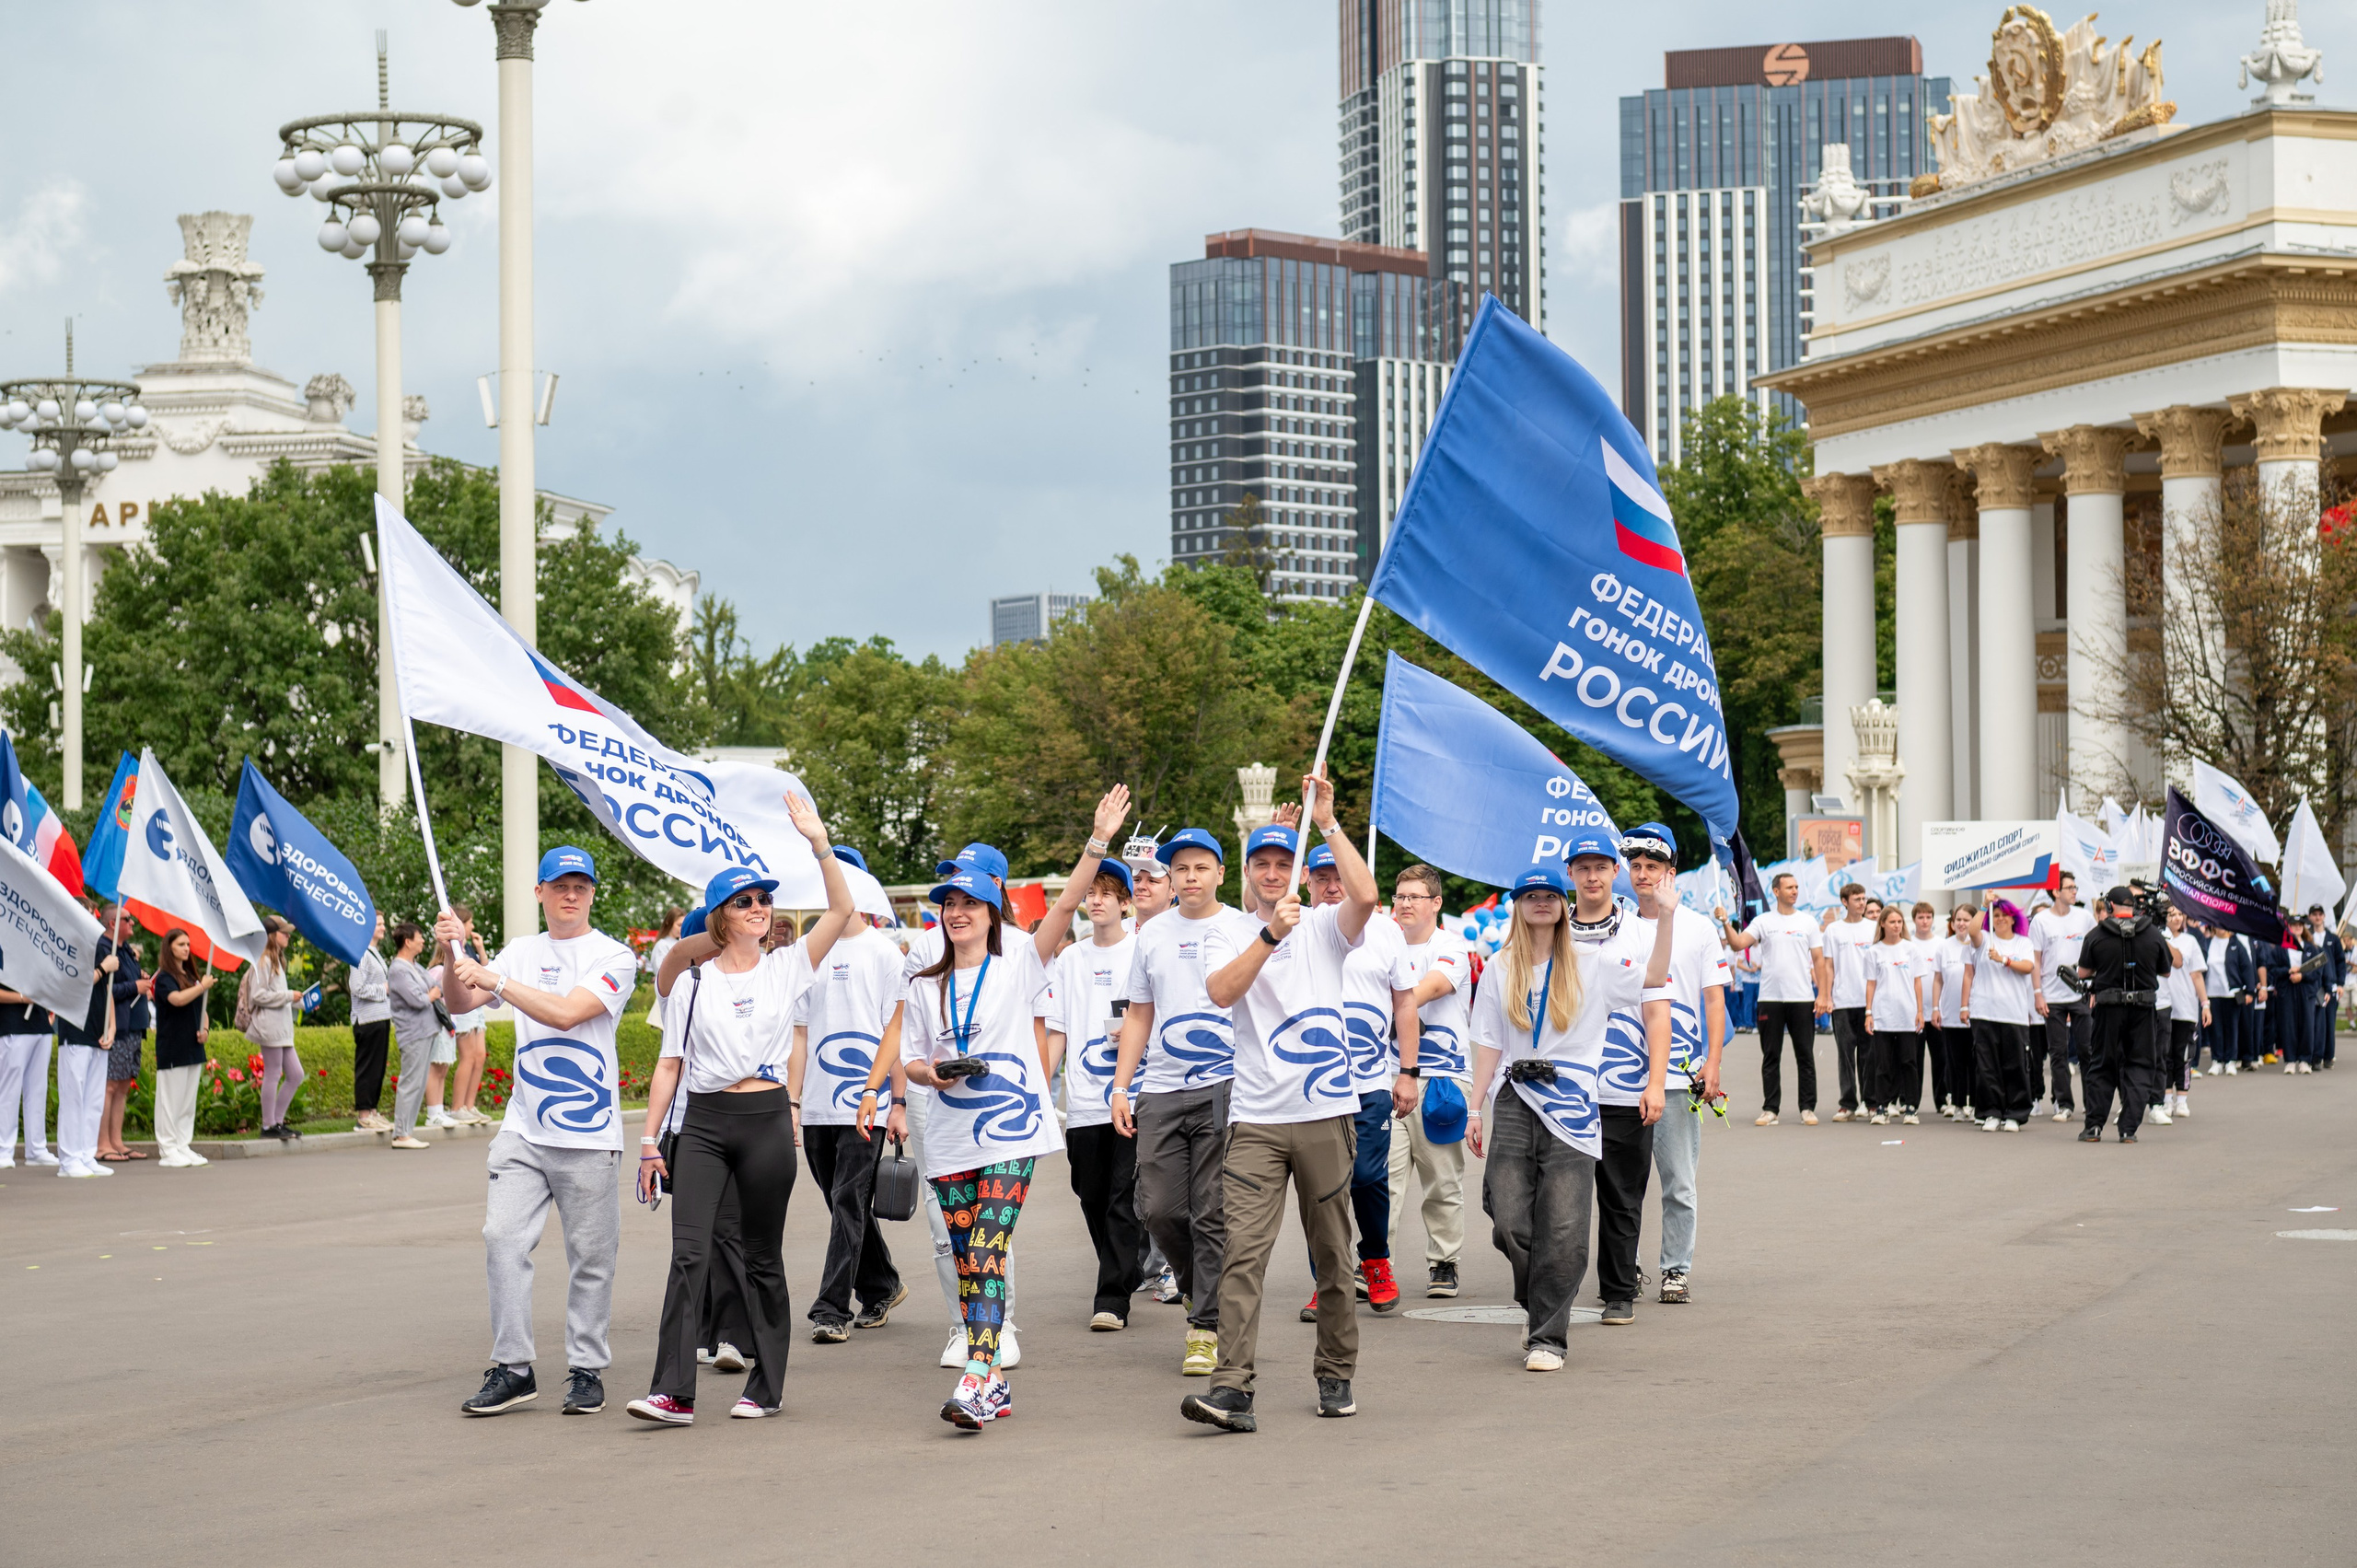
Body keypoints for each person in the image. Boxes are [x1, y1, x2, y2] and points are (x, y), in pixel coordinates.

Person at [861, 787, 1125, 1430]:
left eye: (969, 902)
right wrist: (928, 1074)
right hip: (949, 1135)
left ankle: (978, 1376)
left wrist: (1097, 841)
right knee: (969, 1257)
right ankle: (995, 1378)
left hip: (1010, 1133)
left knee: (985, 1247)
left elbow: (1065, 905)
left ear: (992, 909)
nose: (957, 912)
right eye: (949, 903)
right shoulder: (925, 982)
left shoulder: (1024, 962)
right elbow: (914, 1057)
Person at [631, 802, 857, 1425]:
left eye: (763, 899)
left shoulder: (788, 968)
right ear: (720, 918)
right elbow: (669, 1065)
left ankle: (768, 1383)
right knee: (689, 1254)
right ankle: (673, 1391)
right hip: (702, 1124)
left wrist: (820, 840)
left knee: (761, 1256)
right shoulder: (694, 981)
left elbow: (839, 912)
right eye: (744, 901)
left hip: (763, 1121)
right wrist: (650, 1140)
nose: (759, 907)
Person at [1177, 773, 1376, 1434]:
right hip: (1258, 1119)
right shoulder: (1231, 930)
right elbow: (1222, 991)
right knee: (1243, 1252)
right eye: (1260, 862)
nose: (1270, 871)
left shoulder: (1324, 926)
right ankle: (1232, 1386)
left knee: (1333, 1252)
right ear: (1248, 873)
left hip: (1325, 1114)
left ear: (1297, 869)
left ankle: (1336, 1370)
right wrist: (1268, 937)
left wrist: (1327, 824)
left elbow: (1368, 894)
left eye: (1280, 862)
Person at [443, 845, 641, 1419]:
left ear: (593, 893)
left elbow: (566, 1012)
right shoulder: (522, 951)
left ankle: (586, 1369)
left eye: (581, 885)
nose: (570, 894)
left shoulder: (615, 956)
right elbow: (462, 1004)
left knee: (591, 1257)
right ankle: (513, 1368)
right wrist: (448, 949)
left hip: (589, 1133)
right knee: (501, 1239)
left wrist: (495, 978)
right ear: (540, 893)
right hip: (524, 1129)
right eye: (560, 885)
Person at [1469, 844, 1675, 1374]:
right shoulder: (1499, 967)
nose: (1540, 903)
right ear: (1516, 905)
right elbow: (1489, 1040)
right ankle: (1539, 1297)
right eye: (1529, 896)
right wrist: (1475, 1106)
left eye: (1548, 896)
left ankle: (1548, 1337)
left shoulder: (1593, 961)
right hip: (1516, 1097)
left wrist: (1667, 918)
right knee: (1508, 1217)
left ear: (1562, 904)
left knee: (1564, 1224)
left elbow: (1652, 980)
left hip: (1574, 1102)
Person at [1110, 826, 1254, 1378]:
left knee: (1212, 1211)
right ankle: (1206, 1298)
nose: (1191, 878)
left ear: (1221, 873)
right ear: (1171, 878)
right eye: (1181, 869)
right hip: (1162, 1089)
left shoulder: (1243, 930)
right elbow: (1139, 1014)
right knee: (1162, 1211)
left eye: (1202, 867)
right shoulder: (1151, 933)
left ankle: (1207, 1326)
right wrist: (1123, 1086)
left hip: (1228, 1086)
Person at [792, 849, 911, 1346]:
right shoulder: (806, 952)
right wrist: (793, 1104)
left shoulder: (885, 954)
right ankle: (882, 1284)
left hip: (869, 1102)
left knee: (847, 1198)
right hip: (818, 1101)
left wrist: (896, 1100)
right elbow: (798, 1033)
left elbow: (895, 1031)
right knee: (841, 1199)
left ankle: (831, 1308)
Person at [1308, 838, 1419, 1317]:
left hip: (1371, 1080)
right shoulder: (1295, 925)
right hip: (1311, 1085)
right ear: (1308, 882)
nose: (1333, 887)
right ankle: (1328, 1280)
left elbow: (1405, 1002)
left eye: (1340, 877)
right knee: (1321, 1187)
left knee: (1368, 1176)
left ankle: (1375, 1260)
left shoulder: (1384, 931)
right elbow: (1254, 905)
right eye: (1321, 878)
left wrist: (1408, 1072)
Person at [1619, 825, 1726, 1308]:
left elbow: (1713, 1000)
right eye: (1636, 866)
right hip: (1620, 1076)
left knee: (1678, 1181)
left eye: (1653, 867)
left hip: (1681, 1075)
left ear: (1671, 873)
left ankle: (1675, 1269)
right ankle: (1626, 1266)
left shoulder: (1698, 927)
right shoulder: (1613, 922)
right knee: (1623, 1184)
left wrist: (1714, 1065)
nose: (1643, 875)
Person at [1044, 855, 1146, 1330]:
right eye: (1091, 892)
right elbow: (1057, 1030)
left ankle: (1111, 1298)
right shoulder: (1070, 958)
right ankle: (1126, 1266)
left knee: (1121, 1197)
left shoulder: (1142, 951)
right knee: (1090, 1193)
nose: (1097, 900)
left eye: (1108, 892)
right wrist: (1041, 1087)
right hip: (1083, 1100)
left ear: (1126, 902)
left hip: (1134, 1095)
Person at [1392, 863, 1473, 1298]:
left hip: (1442, 1079)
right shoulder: (1383, 944)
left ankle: (1444, 1262)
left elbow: (1431, 988)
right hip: (1388, 1078)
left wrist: (1382, 1002)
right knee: (1380, 1177)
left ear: (1436, 903)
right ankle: (1374, 1263)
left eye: (1414, 896)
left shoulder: (1450, 946)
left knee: (1441, 1179)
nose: (1404, 903)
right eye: (1400, 895)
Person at [2071, 886, 2173, 1144]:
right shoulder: (2153, 934)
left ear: (2110, 906)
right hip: (2143, 1009)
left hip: (2108, 1008)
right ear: (2133, 907)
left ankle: (2094, 1127)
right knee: (2139, 1065)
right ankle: (2128, 1129)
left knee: (2102, 1065)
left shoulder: (2096, 935)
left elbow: (2083, 972)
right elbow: (2167, 971)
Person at [1724, 871, 1826, 1126]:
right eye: (1789, 887)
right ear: (1776, 891)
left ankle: (1807, 1108)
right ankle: (1770, 1109)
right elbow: (1737, 944)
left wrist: (1823, 994)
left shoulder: (1808, 922)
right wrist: (1726, 921)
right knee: (1771, 1056)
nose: (1794, 891)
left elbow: (1819, 961)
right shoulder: (1764, 921)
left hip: (1801, 998)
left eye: (1796, 887)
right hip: (1770, 998)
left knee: (1805, 1055)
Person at [52, 899, 122, 1178]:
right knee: (74, 1096)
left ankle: (86, 1154)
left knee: (93, 1098)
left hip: (97, 1029)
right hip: (75, 1029)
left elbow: (108, 991)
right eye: (88, 912)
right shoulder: (67, 944)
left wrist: (112, 1027)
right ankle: (68, 1160)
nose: (93, 917)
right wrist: (104, 968)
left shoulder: (99, 946)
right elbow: (70, 984)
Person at [1964, 900, 2037, 1131]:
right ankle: (1991, 1112)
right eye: (1996, 916)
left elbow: (2028, 967)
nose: (2001, 919)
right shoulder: (1984, 940)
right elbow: (1972, 930)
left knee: (2015, 1065)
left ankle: (2015, 1113)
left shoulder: (2023, 942)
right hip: (1984, 1012)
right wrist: (1985, 906)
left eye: (2005, 915)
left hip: (2013, 1014)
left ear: (2014, 919)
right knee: (1987, 1066)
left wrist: (2004, 959)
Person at [2030, 871, 2095, 1121]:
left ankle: (2092, 1104)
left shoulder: (2085, 918)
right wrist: (2038, 994)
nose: (2074, 891)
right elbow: (2036, 959)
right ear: (2056, 892)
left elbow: (2096, 953)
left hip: (2081, 994)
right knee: (2057, 1053)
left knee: (2087, 1051)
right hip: (2052, 996)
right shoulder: (2041, 921)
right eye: (2069, 887)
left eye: (2075, 887)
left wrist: (2094, 988)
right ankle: (2064, 1104)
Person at [150, 929, 215, 1167]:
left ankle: (182, 1144)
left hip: (193, 1047)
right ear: (170, 948)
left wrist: (205, 1030)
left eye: (188, 944)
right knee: (170, 1101)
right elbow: (176, 999)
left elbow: (202, 1009)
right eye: (181, 944)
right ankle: (167, 1149)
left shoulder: (189, 974)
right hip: (173, 1047)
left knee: (187, 1101)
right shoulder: (165, 977)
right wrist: (201, 987)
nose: (186, 948)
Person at [1863, 904, 1924, 1125]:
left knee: (1909, 1062)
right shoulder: (1874, 951)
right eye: (1892, 922)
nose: (1897, 926)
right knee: (1883, 1064)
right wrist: (1869, 1013)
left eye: (1899, 922)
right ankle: (1881, 1107)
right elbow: (1871, 984)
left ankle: (1911, 1108)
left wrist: (1919, 1011)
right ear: (1882, 924)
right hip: (1883, 1016)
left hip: (1907, 1015)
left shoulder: (1911, 949)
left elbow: (1918, 982)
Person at [98, 911, 151, 1162]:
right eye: (128, 919)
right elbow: (103, 989)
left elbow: (126, 981)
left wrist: (140, 978)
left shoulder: (126, 949)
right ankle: (102, 1144)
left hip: (133, 1026)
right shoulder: (103, 948)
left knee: (122, 1086)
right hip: (117, 1026)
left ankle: (116, 1141)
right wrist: (135, 986)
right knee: (109, 1086)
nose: (133, 923)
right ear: (113, 923)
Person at [244, 918, 304, 1142]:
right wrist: (290, 996)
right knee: (273, 1073)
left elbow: (277, 996)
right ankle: (269, 1124)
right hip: (270, 1028)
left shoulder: (276, 959)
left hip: (281, 1029)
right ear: (271, 935)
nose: (288, 936)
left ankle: (276, 1122)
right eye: (284, 933)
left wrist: (300, 1000)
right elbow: (257, 996)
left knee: (295, 1074)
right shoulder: (263, 960)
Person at [385, 922, 441, 1152]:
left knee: (418, 1082)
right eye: (419, 937)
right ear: (407, 941)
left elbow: (435, 986)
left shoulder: (414, 966)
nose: (423, 941)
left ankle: (407, 1132)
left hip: (426, 1030)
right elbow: (418, 999)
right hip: (413, 1033)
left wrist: (432, 993)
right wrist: (432, 994)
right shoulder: (398, 969)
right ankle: (401, 1134)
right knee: (410, 1082)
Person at [1821, 885, 1875, 1121]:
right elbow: (1828, 966)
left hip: (1868, 1002)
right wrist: (1827, 995)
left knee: (1868, 1054)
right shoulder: (1833, 930)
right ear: (1845, 901)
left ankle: (1870, 1102)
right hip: (1843, 1001)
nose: (1862, 903)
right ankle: (1847, 1103)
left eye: (1864, 898)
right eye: (1857, 899)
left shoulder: (1874, 928)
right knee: (1845, 1053)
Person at [440, 906, 494, 1125]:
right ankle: (457, 1108)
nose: (472, 927)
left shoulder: (470, 948)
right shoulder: (454, 947)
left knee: (479, 1056)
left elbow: (486, 972)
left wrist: (481, 950)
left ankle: (469, 1106)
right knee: (468, 1056)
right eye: (469, 922)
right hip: (465, 1008)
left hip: (478, 1008)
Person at [2157, 904, 2209, 1122]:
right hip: (2163, 1005)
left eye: (2179, 914)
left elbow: (2196, 975)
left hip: (2186, 1007)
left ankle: (2182, 1100)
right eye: (2171, 914)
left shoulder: (2190, 942)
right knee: (2165, 1055)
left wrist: (2205, 1003)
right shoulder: (2157, 937)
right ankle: (2167, 1099)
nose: (2177, 918)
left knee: (2183, 1055)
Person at [0, 983, 56, 1167]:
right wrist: (23, 998)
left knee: (38, 1091)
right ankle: (4, 1149)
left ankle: (36, 1149)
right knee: (9, 1091)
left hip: (40, 1024)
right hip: (12, 1024)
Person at [1932, 905, 1978, 1119]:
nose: (1960, 923)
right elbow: (1938, 979)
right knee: (1956, 1062)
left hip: (1976, 1013)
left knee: (1976, 1062)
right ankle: (1959, 1105)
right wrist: (1935, 1008)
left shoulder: (1981, 945)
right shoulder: (1944, 946)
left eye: (1966, 919)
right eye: (1957, 919)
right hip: (1950, 1014)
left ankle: (1977, 1105)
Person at [350, 913, 394, 1132]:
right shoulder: (359, 954)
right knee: (367, 1067)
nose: (383, 928)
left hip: (381, 1017)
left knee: (378, 1068)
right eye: (379, 924)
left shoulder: (375, 953)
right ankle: (364, 1115)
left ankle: (373, 1111)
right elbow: (357, 988)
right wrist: (384, 990)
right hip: (367, 1019)